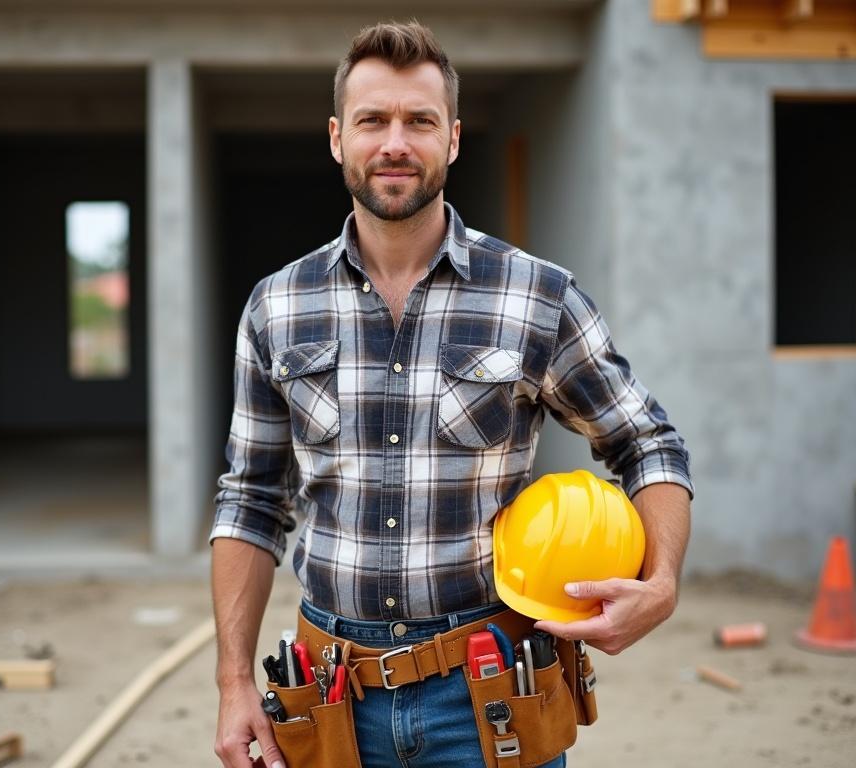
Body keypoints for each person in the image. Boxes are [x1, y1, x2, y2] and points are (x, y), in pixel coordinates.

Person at [211, 20, 693, 768]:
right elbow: (251, 501)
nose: (395, 143)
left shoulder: (538, 295)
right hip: (330, 700)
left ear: (454, 138)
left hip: (491, 692)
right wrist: (234, 681)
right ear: (338, 138)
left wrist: (660, 583)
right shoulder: (277, 307)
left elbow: (647, 442)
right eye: (373, 120)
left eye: (420, 121)